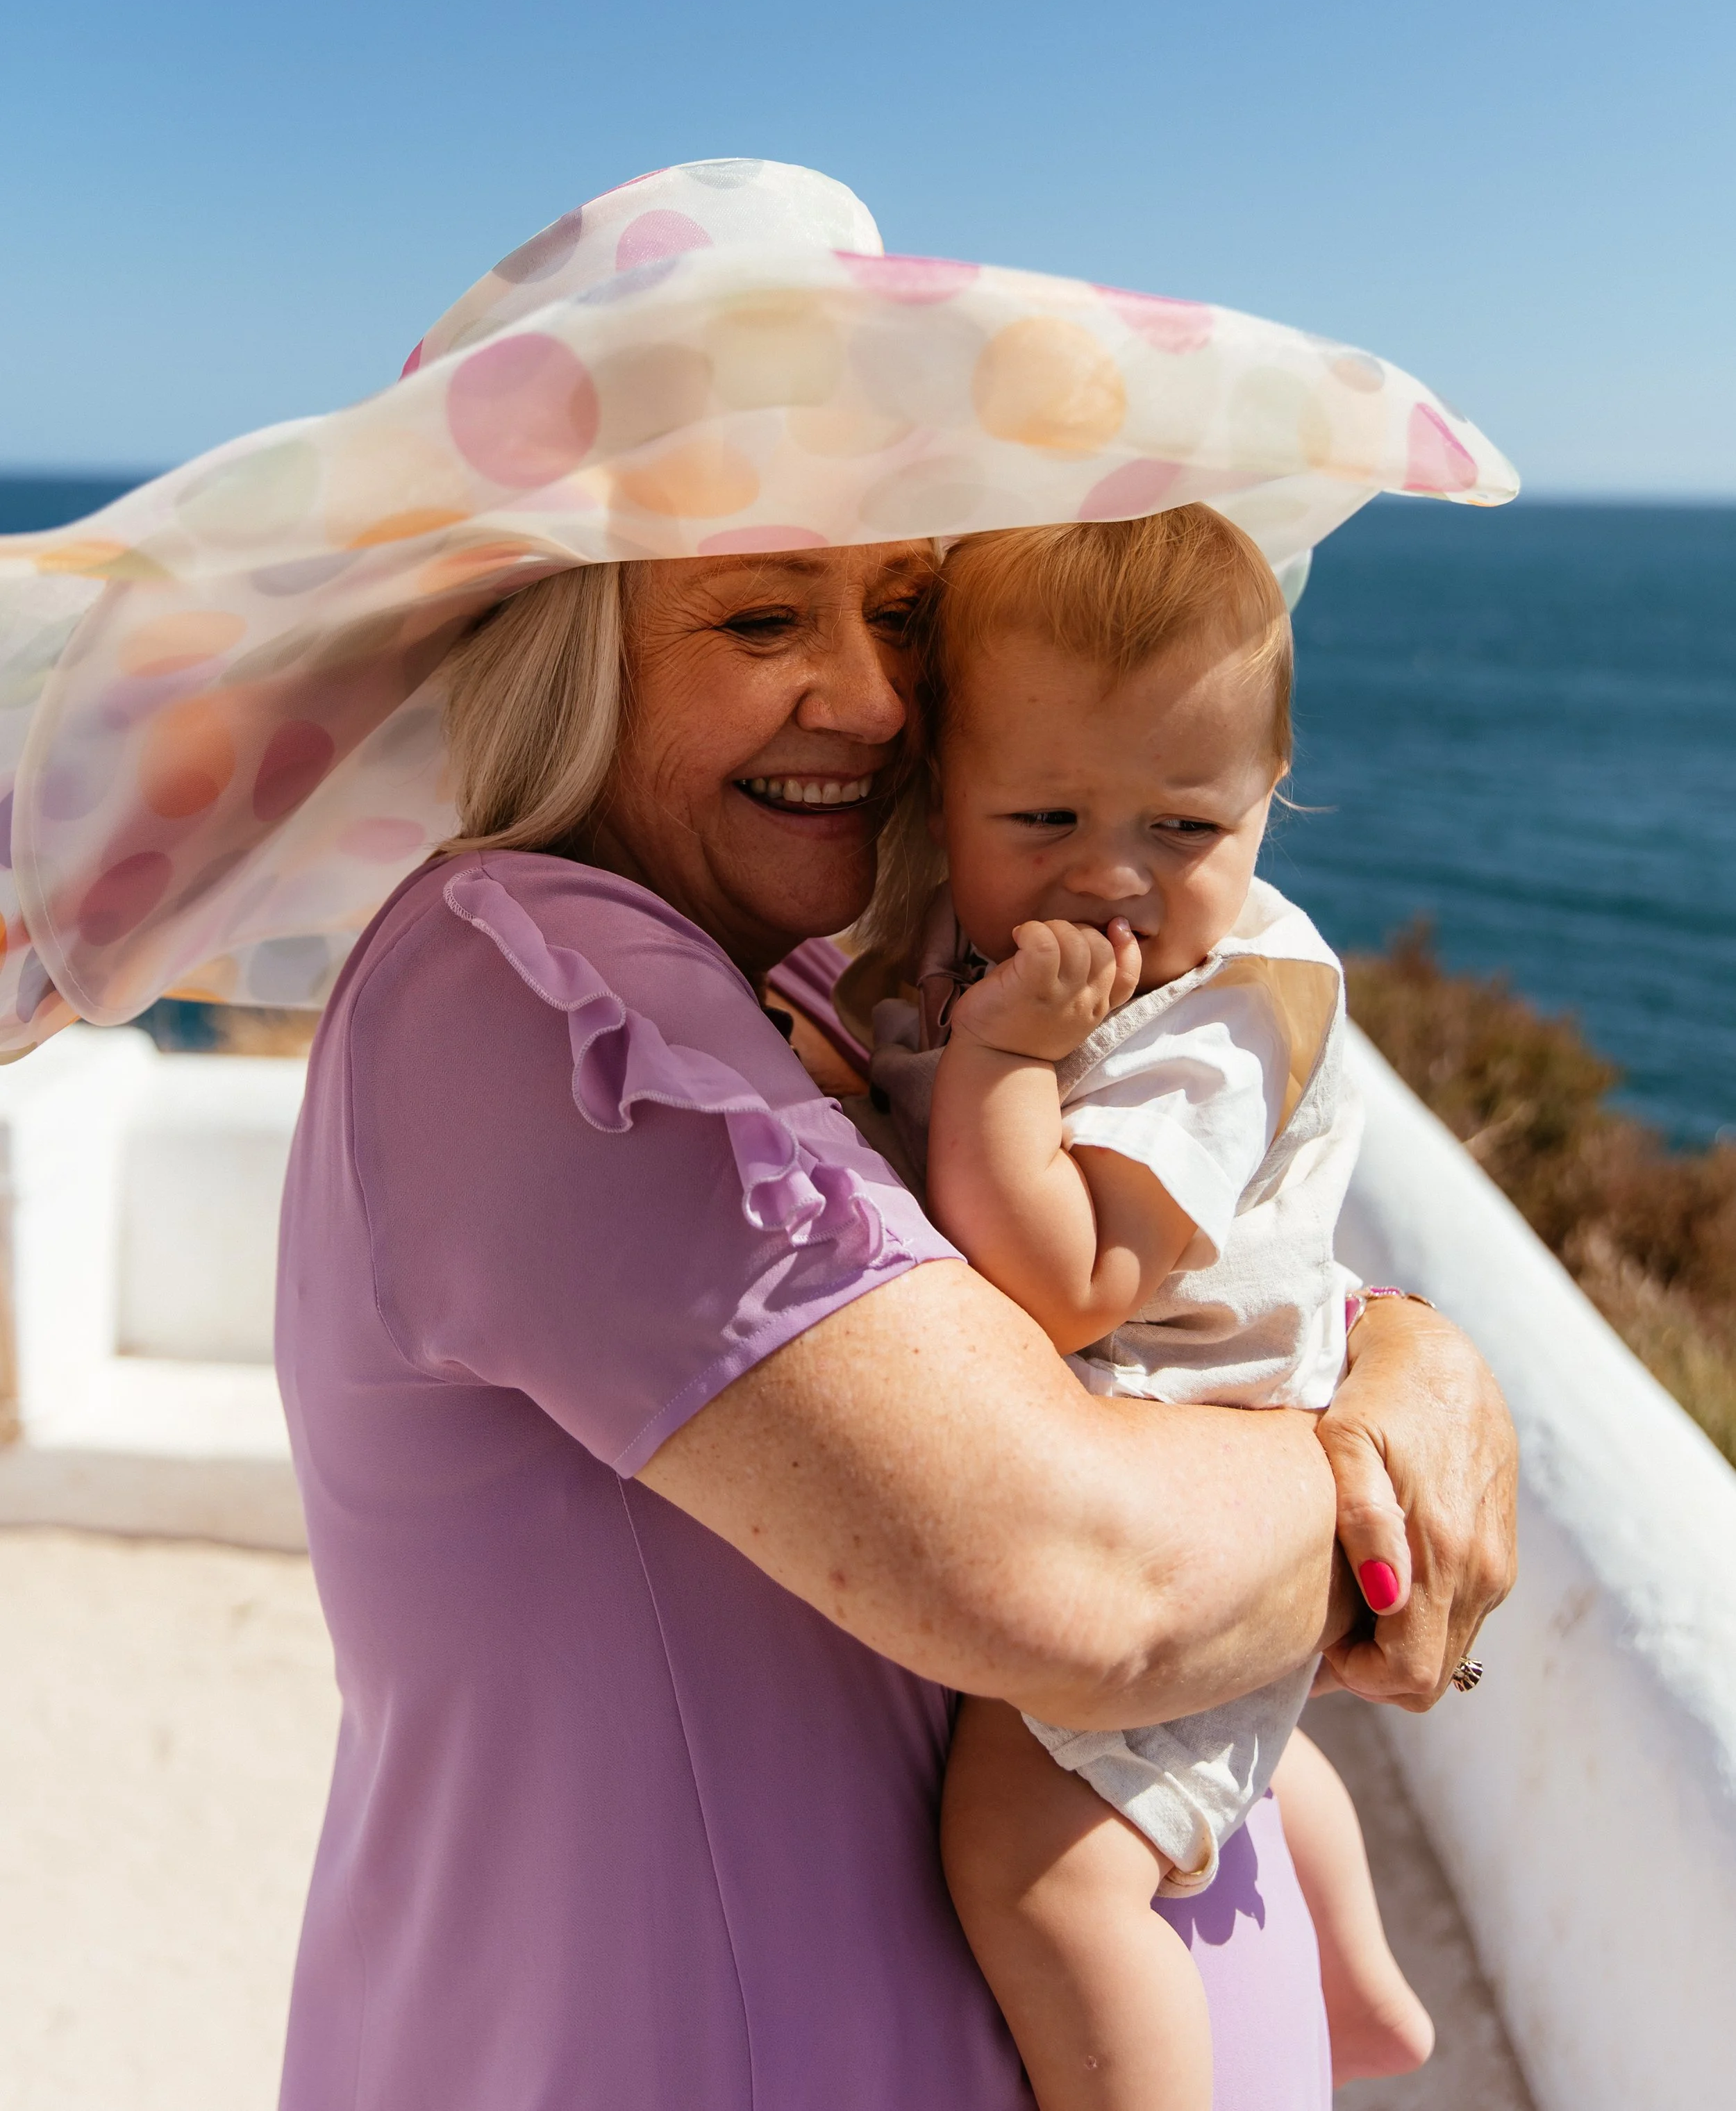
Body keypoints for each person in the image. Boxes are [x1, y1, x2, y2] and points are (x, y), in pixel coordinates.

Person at [274, 536, 1517, 2110]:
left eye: (903, 613)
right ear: (569, 647)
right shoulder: (545, 994)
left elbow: (1189, 1275)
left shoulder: (832, 975)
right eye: (761, 615)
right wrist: (1372, 1466)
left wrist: (1402, 1347)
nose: (871, 697)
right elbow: (1077, 1577)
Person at [841, 508, 1434, 2106]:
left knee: (1037, 1868)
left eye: (1183, 827)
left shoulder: (1219, 1014)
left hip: (1182, 1489)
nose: (1110, 876)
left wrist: (999, 1061)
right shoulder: (1007, 953)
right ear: (936, 792)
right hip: (1180, 1498)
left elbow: (1067, 1274)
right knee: (1220, 1752)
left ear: (1270, 799)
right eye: (1041, 814)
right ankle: (1357, 1986)